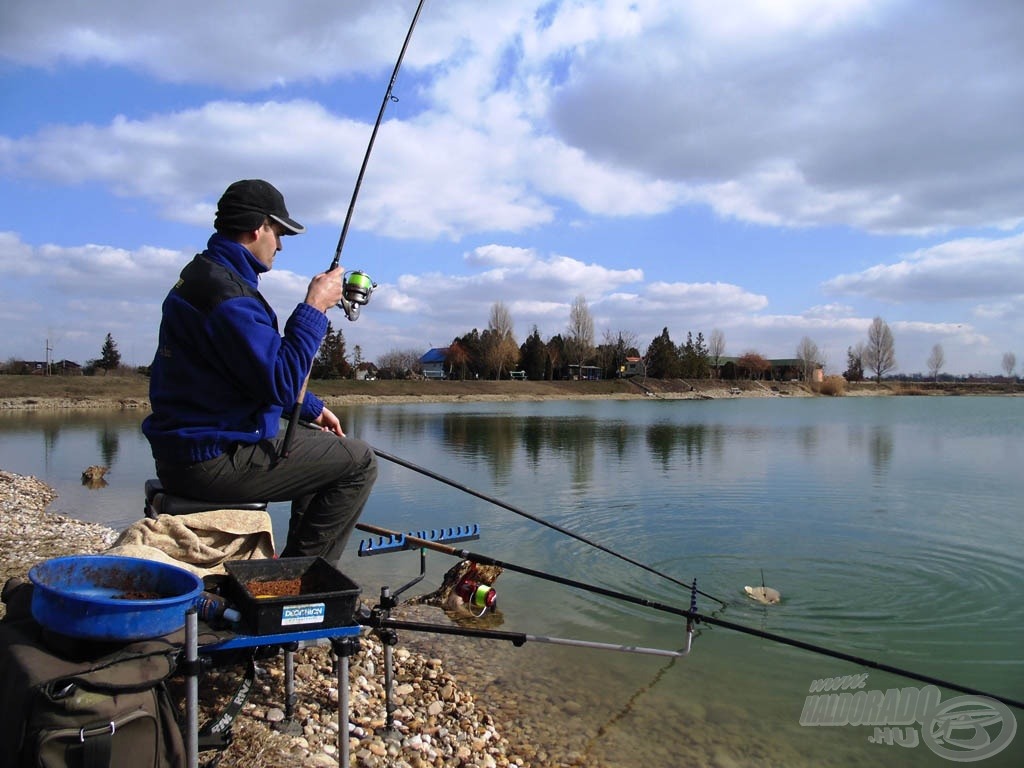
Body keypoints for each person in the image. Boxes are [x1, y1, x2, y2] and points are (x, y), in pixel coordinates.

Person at [142, 179, 377, 565]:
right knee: (360, 462)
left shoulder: (206, 275)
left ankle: (291, 566)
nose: (280, 245)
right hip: (209, 461)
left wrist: (312, 408)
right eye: (279, 233)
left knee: (323, 445)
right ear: (258, 227)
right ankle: (302, 582)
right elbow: (281, 380)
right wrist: (314, 308)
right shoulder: (229, 298)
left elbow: (250, 372)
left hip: (186, 452)